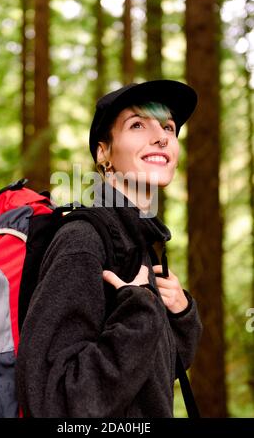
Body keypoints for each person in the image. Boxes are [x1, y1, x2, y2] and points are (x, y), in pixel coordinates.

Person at [16, 79, 203, 418]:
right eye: (137, 125)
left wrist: (180, 316)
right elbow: (55, 402)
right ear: (104, 152)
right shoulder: (83, 243)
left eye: (169, 128)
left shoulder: (140, 246)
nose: (161, 136)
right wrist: (140, 312)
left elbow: (148, 374)